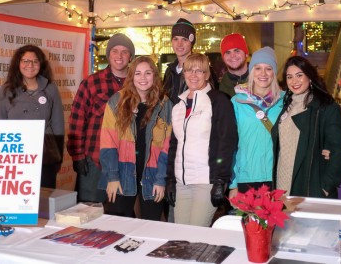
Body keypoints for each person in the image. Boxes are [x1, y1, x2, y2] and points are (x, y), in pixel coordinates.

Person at [165, 53, 238, 227]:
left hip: (206, 181)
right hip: (182, 182)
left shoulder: (218, 101)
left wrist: (220, 181)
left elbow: (226, 142)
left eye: (199, 71)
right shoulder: (178, 106)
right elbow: (174, 146)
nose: (194, 75)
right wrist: (170, 180)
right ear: (184, 74)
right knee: (182, 235)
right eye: (189, 70)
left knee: (197, 233)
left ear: (207, 74)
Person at [98, 56, 172, 220]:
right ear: (131, 77)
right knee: (118, 226)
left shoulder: (164, 104)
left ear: (154, 75)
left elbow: (167, 147)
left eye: (147, 73)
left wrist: (161, 180)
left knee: (151, 226)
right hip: (122, 172)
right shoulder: (117, 102)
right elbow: (108, 142)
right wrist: (112, 177)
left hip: (153, 175)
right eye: (138, 73)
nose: (143, 78)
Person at [67, 33, 135, 203]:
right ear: (108, 55)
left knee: (120, 217)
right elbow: (77, 121)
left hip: (125, 162)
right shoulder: (92, 83)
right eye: (115, 51)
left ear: (131, 57)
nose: (119, 56)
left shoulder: (138, 84)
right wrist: (78, 156)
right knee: (88, 212)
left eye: (124, 52)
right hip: (95, 161)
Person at [272, 55, 341, 198]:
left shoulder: (325, 106)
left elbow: (338, 148)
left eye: (299, 75)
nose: (294, 81)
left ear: (310, 76)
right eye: (289, 77)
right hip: (282, 180)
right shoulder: (286, 105)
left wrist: (326, 186)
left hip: (309, 185)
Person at [0, 44, 64, 189]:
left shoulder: (51, 89)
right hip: (15, 158)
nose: (30, 65)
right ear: (18, 64)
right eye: (25, 61)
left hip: (46, 157)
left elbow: (58, 125)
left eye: (35, 61)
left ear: (41, 64)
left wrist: (59, 157)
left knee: (44, 204)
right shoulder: (6, 91)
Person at [228, 47, 284, 198]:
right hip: (246, 177)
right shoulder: (237, 102)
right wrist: (232, 184)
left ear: (274, 72)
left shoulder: (285, 102)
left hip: (278, 178)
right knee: (248, 222)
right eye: (258, 68)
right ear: (251, 71)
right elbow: (230, 145)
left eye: (268, 68)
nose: (263, 74)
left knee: (276, 222)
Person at [163, 18, 218, 105]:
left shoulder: (203, 69)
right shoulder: (169, 71)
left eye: (184, 39)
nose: (179, 44)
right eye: (175, 39)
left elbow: (213, 102)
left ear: (192, 42)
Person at [219, 33, 249, 98]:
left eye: (237, 51)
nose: (232, 55)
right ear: (223, 58)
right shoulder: (218, 88)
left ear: (246, 54)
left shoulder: (262, 80)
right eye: (227, 52)